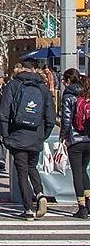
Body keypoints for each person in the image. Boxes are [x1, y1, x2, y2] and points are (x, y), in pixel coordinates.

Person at [0, 57, 56, 220]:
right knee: (32, 167)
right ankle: (39, 194)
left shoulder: (13, 85)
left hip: (17, 135)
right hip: (36, 135)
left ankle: (28, 209)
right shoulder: (42, 87)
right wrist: (43, 135)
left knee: (22, 172)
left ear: (20, 68)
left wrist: (5, 135)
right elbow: (50, 117)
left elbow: (4, 112)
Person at [59, 68, 90, 218]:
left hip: (75, 139)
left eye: (64, 81)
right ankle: (89, 203)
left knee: (77, 173)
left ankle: (82, 208)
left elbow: (66, 120)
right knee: (84, 171)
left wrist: (63, 137)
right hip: (89, 138)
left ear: (69, 81)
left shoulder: (68, 95)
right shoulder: (87, 91)